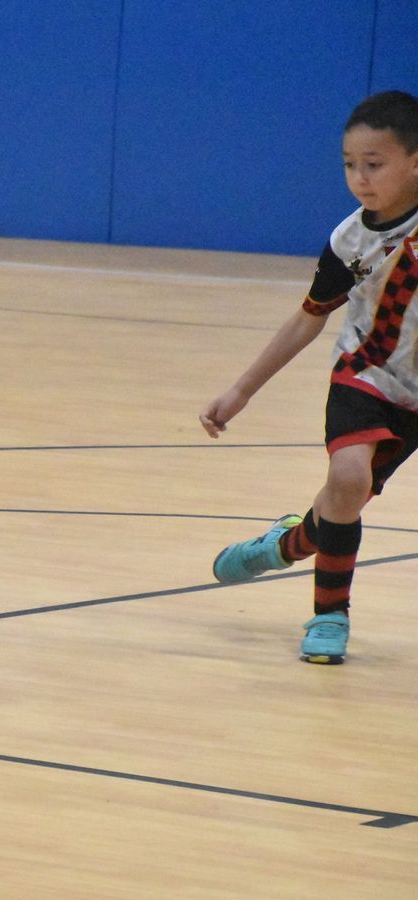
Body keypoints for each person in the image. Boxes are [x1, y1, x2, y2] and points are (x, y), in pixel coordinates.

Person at [200, 90, 418, 666]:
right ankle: (329, 615)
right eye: (350, 164)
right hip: (364, 373)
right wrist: (241, 390)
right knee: (347, 479)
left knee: (341, 503)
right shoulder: (350, 242)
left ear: (415, 162)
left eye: (374, 164)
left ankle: (285, 543)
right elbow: (308, 317)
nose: (360, 178)